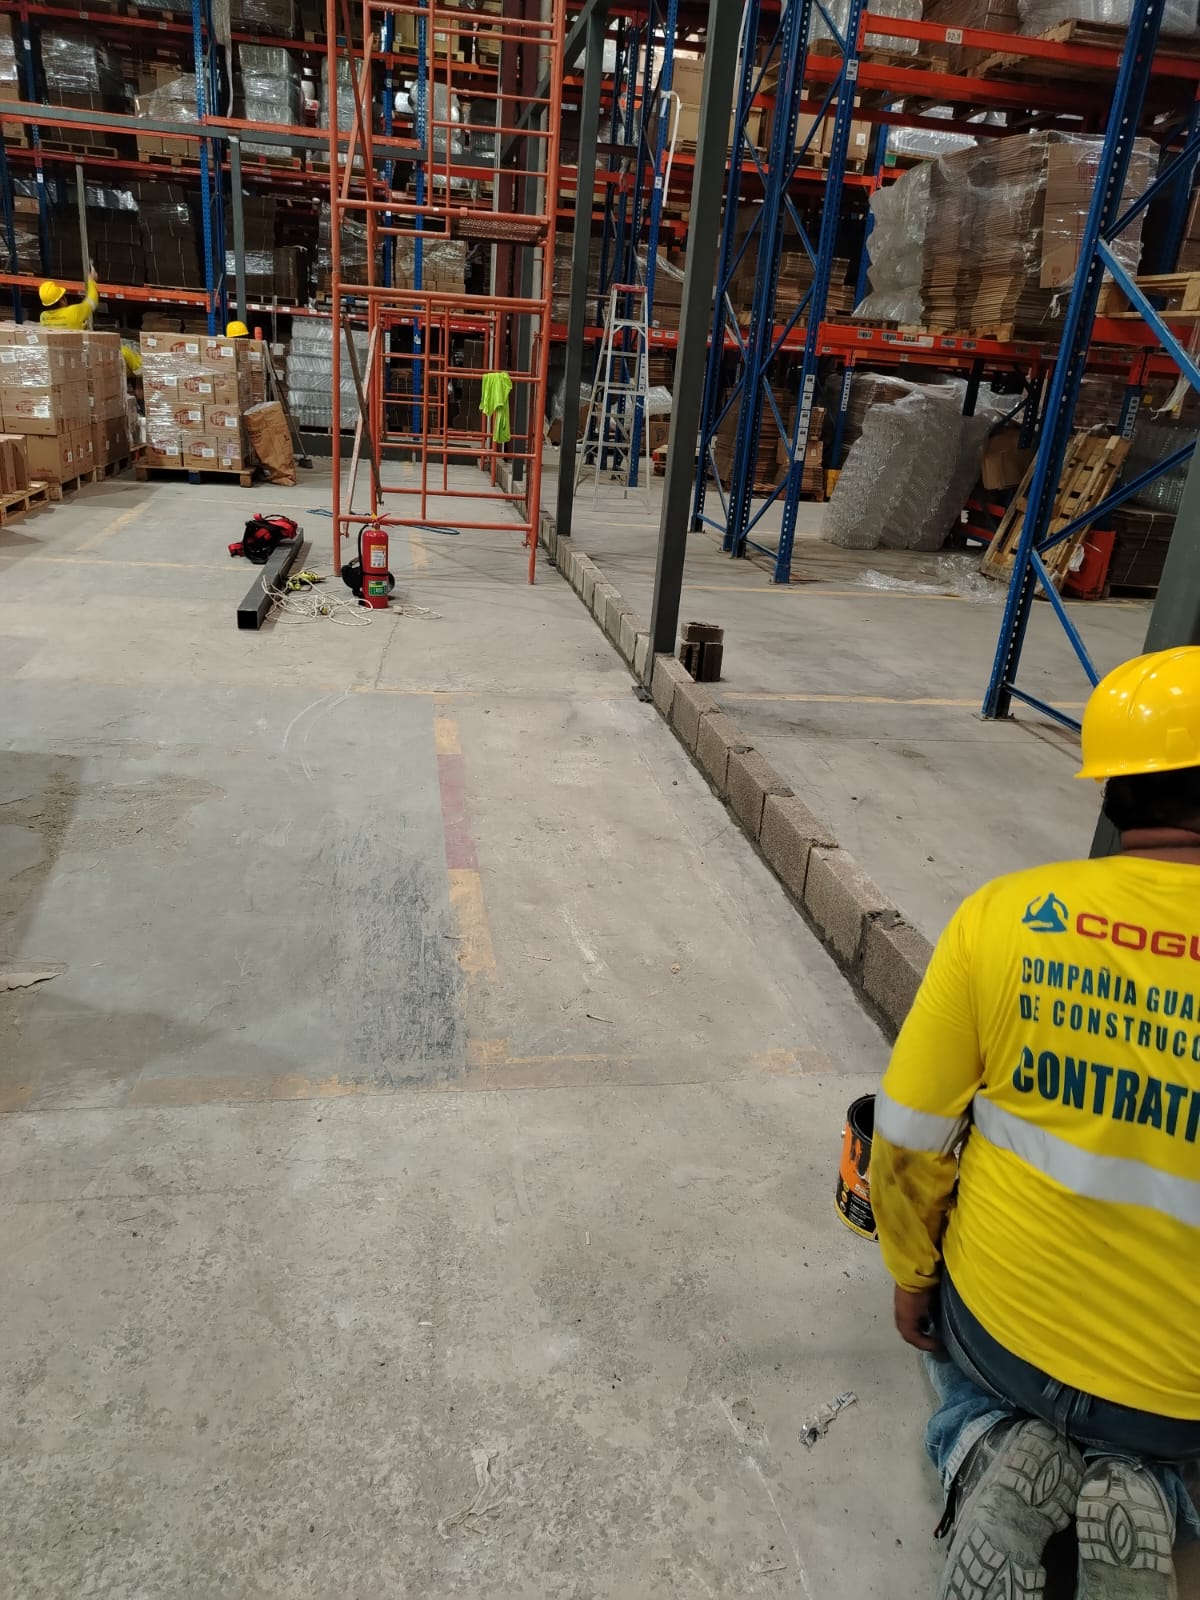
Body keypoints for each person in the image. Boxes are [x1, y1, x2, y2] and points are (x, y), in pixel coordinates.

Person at [870, 645, 1200, 1600]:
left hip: (1003, 1340)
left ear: (1110, 791)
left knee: (954, 1377)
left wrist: (910, 1278)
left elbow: (908, 1139)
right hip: (1178, 1399)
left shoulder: (1002, 918)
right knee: (1169, 1446)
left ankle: (982, 1447)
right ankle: (1153, 1491)